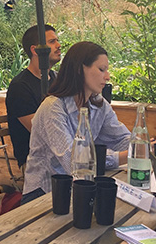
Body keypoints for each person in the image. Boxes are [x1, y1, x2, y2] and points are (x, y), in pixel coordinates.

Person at [22, 41, 130, 200]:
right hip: (44, 194)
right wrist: (124, 156)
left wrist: (143, 146)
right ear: (80, 69)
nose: (107, 77)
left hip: (78, 190)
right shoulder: (53, 107)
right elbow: (73, 161)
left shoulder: (98, 104)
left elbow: (121, 138)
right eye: (101, 69)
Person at [6, 24, 61, 171]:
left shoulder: (57, 79)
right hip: (35, 161)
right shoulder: (20, 87)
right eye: (52, 42)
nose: (59, 45)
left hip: (60, 152)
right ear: (35, 50)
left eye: (57, 40)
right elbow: (40, 131)